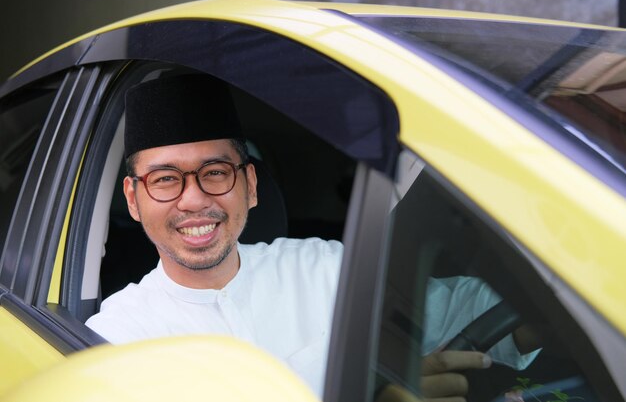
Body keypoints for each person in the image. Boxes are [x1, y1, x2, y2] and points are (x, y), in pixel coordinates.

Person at [86, 74, 536, 400]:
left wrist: (546, 315)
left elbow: (464, 311)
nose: (193, 200)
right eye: (165, 179)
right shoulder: (117, 337)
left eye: (216, 172)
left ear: (251, 186)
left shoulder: (326, 267)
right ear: (132, 198)